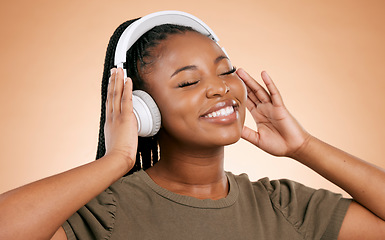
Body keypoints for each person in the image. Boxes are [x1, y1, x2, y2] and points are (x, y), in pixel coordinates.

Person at [1, 11, 385, 240]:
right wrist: (116, 159)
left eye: (225, 71)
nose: (219, 88)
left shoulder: (283, 206)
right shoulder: (108, 210)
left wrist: (304, 147)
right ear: (142, 108)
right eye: (188, 81)